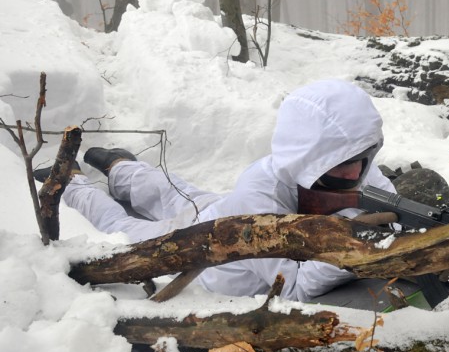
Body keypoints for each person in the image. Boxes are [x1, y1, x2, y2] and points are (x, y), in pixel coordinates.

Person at [38, 79, 397, 302]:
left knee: (173, 190)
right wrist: (358, 245)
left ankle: (121, 168)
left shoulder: (362, 172)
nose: (355, 171)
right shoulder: (259, 190)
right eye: (340, 161)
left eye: (362, 157)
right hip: (205, 246)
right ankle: (75, 183)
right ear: (307, 156)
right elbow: (292, 287)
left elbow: (388, 211)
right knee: (124, 228)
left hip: (220, 209)